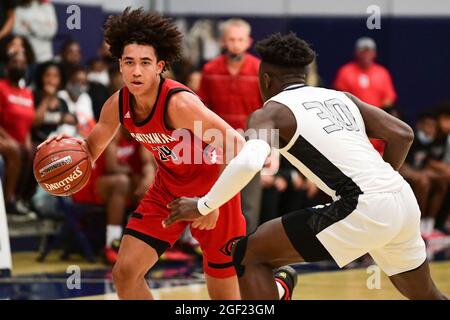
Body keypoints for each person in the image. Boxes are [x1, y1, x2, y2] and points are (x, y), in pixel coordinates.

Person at [163, 32, 447, 300]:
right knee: (426, 295)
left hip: (363, 205)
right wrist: (383, 190)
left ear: (265, 79)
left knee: (250, 254)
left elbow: (249, 161)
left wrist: (202, 206)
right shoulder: (340, 97)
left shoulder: (270, 112)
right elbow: (402, 134)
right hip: (403, 201)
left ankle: (280, 290)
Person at [39, 8, 248, 300]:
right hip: (168, 191)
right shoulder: (117, 105)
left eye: (145, 63)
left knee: (225, 300)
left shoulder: (180, 104)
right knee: (125, 274)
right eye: (129, 62)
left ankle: (278, 290)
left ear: (159, 66)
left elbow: (238, 147)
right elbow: (90, 150)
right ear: (120, 66)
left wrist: (211, 202)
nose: (137, 71)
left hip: (213, 191)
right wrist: (64, 147)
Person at [198, 18, 264, 233]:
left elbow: (267, 108)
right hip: (219, 143)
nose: (235, 44)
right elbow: (202, 108)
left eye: (240, 39)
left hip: (252, 141)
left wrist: (270, 147)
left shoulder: (258, 69)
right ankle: (219, 248)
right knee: (217, 197)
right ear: (223, 42)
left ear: (248, 41)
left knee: (249, 201)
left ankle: (246, 248)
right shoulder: (210, 70)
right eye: (231, 39)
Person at [334, 37, 397, 154]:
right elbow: (340, 97)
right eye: (363, 51)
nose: (366, 55)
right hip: (353, 121)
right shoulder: (346, 71)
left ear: (374, 53)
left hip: (376, 121)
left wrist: (375, 114)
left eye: (369, 51)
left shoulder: (382, 72)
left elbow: (389, 98)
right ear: (356, 53)